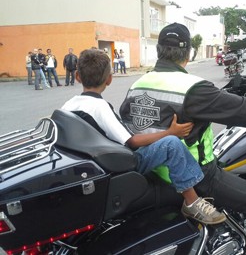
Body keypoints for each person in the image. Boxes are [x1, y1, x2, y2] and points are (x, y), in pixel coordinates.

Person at [120, 22, 246, 255]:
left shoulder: (137, 84)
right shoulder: (192, 88)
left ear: (158, 50)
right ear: (189, 53)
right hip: (197, 175)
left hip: (150, 173)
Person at [61, 49, 226, 225]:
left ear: (77, 76)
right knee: (171, 144)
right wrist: (170, 132)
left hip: (95, 164)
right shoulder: (99, 107)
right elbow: (131, 141)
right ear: (109, 79)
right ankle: (192, 201)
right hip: (121, 165)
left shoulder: (68, 105)